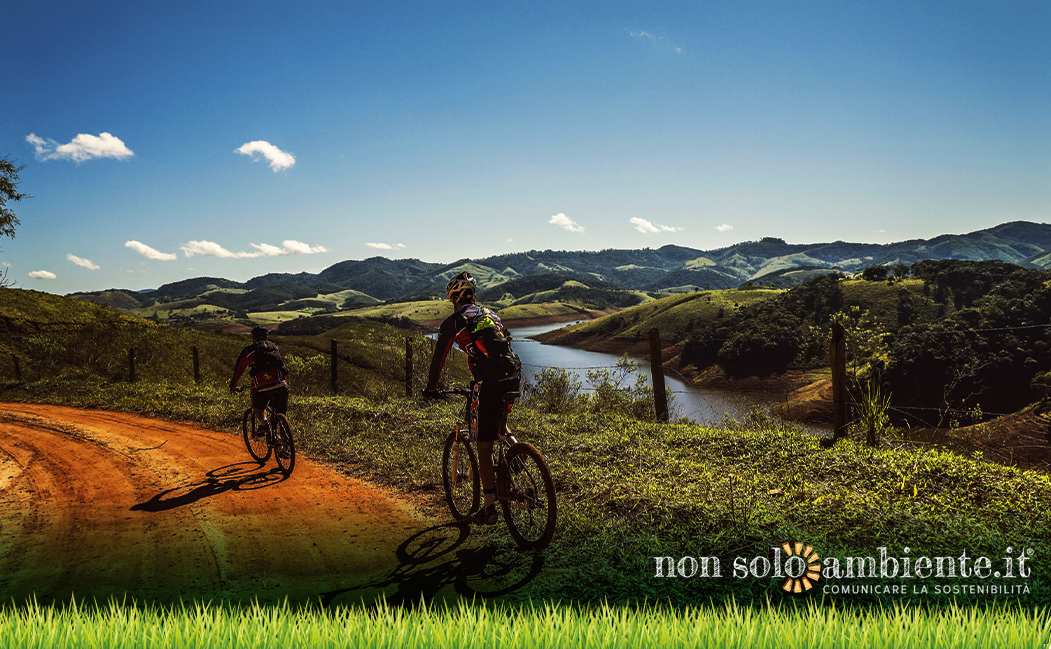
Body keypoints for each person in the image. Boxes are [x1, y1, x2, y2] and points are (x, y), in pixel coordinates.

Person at [423, 271, 519, 526]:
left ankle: (489, 509)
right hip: (512, 377)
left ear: (453, 299)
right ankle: (518, 453)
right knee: (501, 426)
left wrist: (431, 389)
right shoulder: (491, 315)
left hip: (487, 383)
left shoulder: (454, 322)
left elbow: (438, 360)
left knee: (484, 446)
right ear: (473, 296)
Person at [229, 325, 290, 447]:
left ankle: (264, 423)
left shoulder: (249, 350)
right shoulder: (275, 348)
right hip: (281, 385)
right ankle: (286, 448)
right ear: (266, 338)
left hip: (261, 387)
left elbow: (239, 368)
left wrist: (233, 386)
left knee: (257, 408)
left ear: (253, 338)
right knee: (282, 413)